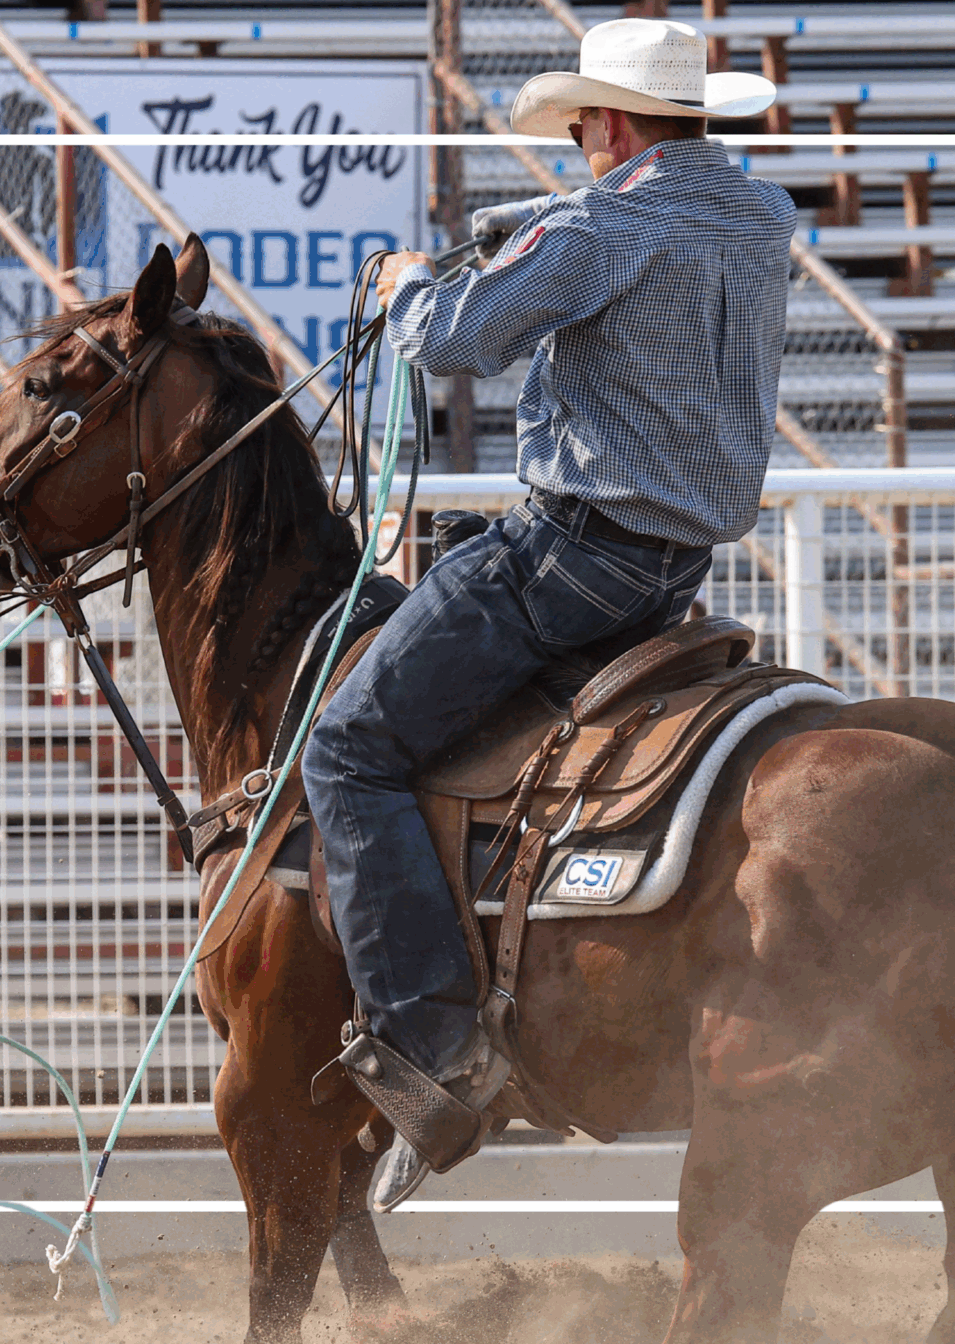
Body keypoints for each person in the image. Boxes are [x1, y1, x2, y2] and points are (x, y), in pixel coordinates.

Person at [300, 18, 792, 1209]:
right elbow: (605, 250)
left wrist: (408, 283)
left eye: (581, 130)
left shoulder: (607, 220)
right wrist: (525, 236)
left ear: (612, 125)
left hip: (569, 558)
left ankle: (431, 1049)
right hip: (673, 571)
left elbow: (454, 338)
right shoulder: (758, 214)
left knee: (348, 747)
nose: (576, 148)